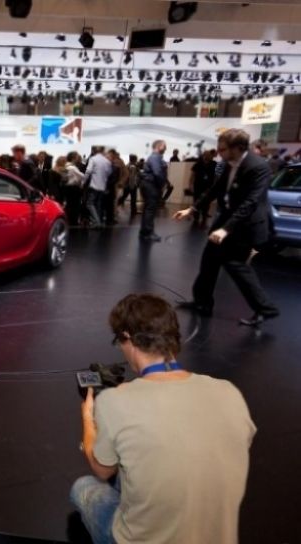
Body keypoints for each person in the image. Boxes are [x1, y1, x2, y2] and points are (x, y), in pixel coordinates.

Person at [71, 293, 255, 544]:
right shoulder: (229, 392)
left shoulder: (115, 401)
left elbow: (101, 470)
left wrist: (87, 416)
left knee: (83, 487)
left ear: (127, 338)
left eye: (119, 341)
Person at [173, 129, 280, 326]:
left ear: (238, 148)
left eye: (222, 149)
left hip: (245, 225)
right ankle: (202, 303)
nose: (218, 152)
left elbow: (250, 203)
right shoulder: (229, 164)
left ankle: (266, 308)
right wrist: (193, 208)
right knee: (209, 261)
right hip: (227, 220)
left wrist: (226, 229)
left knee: (236, 265)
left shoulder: (258, 167)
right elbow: (215, 190)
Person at [138, 140, 168, 242]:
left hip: (149, 185)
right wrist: (161, 185)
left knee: (148, 209)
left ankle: (145, 232)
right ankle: (147, 233)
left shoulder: (154, 157)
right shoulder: (155, 157)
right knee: (150, 210)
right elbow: (157, 173)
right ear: (159, 146)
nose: (166, 147)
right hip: (151, 186)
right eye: (164, 146)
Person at [83, 146, 113, 229]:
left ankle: (97, 222)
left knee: (89, 204)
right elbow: (109, 173)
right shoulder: (107, 161)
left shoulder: (93, 159)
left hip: (94, 185)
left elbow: (88, 171)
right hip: (103, 186)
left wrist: (83, 181)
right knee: (98, 205)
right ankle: (97, 222)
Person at [63, 151, 85, 226]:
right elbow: (82, 176)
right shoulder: (72, 167)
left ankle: (69, 220)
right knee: (74, 206)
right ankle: (73, 221)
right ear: (73, 158)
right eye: (76, 157)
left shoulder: (66, 165)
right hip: (73, 188)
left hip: (68, 188)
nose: (77, 158)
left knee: (69, 205)